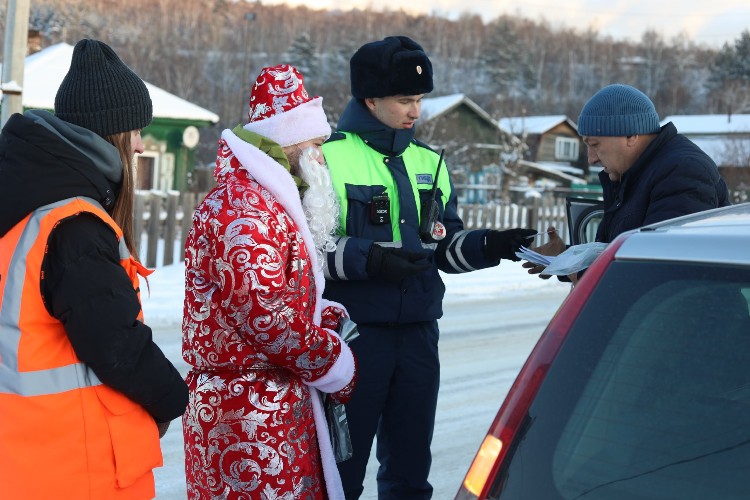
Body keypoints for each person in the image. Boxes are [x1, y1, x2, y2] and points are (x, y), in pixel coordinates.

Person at [320, 36, 536, 499]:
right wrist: (371, 258)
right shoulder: (327, 158)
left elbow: (442, 246)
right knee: (341, 471)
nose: (414, 110)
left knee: (411, 470)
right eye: (404, 100)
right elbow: (310, 251)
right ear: (369, 99)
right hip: (356, 336)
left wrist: (488, 246)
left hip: (419, 334)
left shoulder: (431, 162)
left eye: (419, 99)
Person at [0, 39, 188, 498]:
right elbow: (114, 343)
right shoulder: (74, 223)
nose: (142, 147)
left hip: (26, 453)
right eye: (135, 132)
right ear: (110, 135)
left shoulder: (27, 198)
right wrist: (171, 396)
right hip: (72, 461)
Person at [182, 64, 357, 500]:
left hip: (266, 402)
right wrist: (334, 362)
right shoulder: (244, 207)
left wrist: (320, 313)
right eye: (316, 144)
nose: (320, 156)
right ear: (291, 141)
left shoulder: (263, 198)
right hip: (245, 414)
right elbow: (263, 314)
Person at [526, 83, 730, 280]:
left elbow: (662, 265)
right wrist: (565, 256)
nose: (591, 159)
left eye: (595, 144)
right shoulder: (635, 173)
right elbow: (618, 251)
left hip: (683, 312)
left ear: (631, 135)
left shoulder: (682, 171)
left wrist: (580, 274)